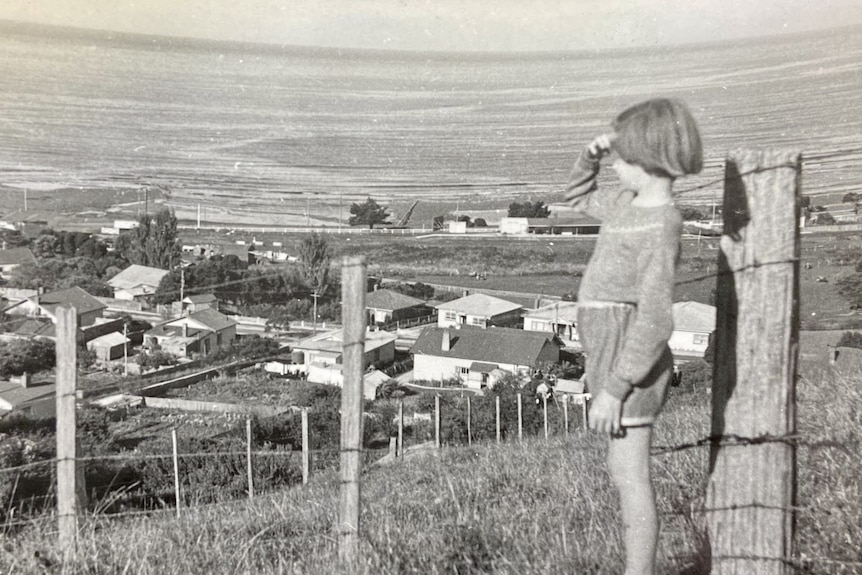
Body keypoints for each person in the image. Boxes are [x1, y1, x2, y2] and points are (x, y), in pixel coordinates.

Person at [563, 98, 703, 575]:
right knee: (621, 472)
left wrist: (615, 390)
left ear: (647, 162)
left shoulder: (663, 224)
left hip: (629, 358)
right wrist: (591, 155)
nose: (615, 166)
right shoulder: (625, 203)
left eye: (622, 159)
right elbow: (576, 197)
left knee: (630, 477)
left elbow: (656, 320)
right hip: (608, 345)